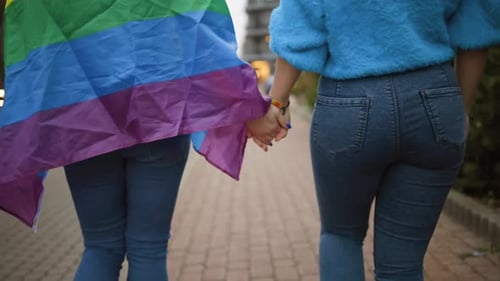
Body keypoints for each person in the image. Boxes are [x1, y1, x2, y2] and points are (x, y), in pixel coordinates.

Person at [1, 1, 268, 280]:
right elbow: (202, 24)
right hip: (159, 110)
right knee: (148, 249)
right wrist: (246, 100)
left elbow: (29, 25)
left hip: (86, 119)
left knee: (100, 248)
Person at [247, 1, 500, 280]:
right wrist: (461, 108)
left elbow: (301, 22)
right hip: (434, 98)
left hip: (349, 99)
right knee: (404, 261)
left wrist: (277, 102)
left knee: (341, 236)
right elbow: (477, 23)